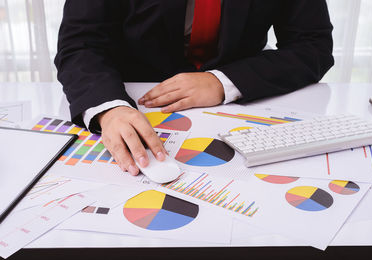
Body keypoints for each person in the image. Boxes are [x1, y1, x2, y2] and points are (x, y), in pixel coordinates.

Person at [55, 0, 334, 176]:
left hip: (241, 110)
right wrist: (110, 108)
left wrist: (224, 81)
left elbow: (313, 46)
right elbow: (81, 44)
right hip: (137, 102)